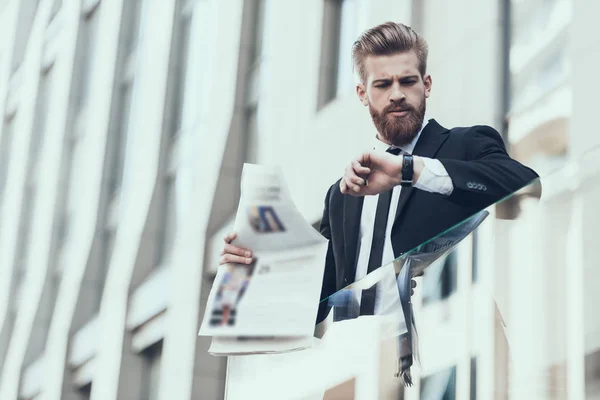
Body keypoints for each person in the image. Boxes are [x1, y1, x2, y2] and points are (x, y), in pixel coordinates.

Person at [219, 22, 539, 325]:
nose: (396, 94)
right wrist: (258, 269)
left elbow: (523, 184)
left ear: (426, 85)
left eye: (408, 81)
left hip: (455, 346)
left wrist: (408, 170)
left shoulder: (466, 144)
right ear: (362, 94)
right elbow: (316, 302)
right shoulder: (342, 196)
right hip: (364, 367)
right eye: (383, 84)